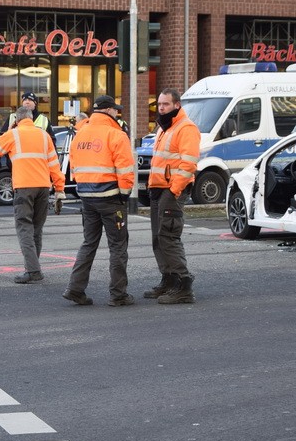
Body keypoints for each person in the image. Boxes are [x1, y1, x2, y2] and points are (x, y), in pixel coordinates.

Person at [63, 95, 136, 307]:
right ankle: (118, 294)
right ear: (108, 111)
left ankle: (75, 289)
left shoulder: (80, 134)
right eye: (115, 110)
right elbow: (125, 169)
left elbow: (74, 167)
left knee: (89, 243)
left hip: (87, 197)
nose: (117, 113)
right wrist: (124, 194)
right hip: (111, 198)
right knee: (118, 246)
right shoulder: (116, 134)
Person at [0, 105, 65, 284]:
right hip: (43, 187)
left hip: (24, 187)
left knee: (24, 228)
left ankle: (33, 271)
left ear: (17, 119)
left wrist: (8, 130)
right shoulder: (44, 135)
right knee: (36, 229)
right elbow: (54, 165)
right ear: (31, 118)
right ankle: (34, 267)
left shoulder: (13, 134)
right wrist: (60, 188)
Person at [145, 88, 201, 305]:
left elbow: (189, 164)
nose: (161, 108)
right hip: (159, 189)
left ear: (177, 105)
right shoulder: (164, 127)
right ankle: (168, 280)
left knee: (169, 237)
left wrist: (174, 190)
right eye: (159, 104)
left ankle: (183, 285)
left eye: (165, 104)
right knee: (158, 238)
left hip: (171, 190)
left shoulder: (186, 128)